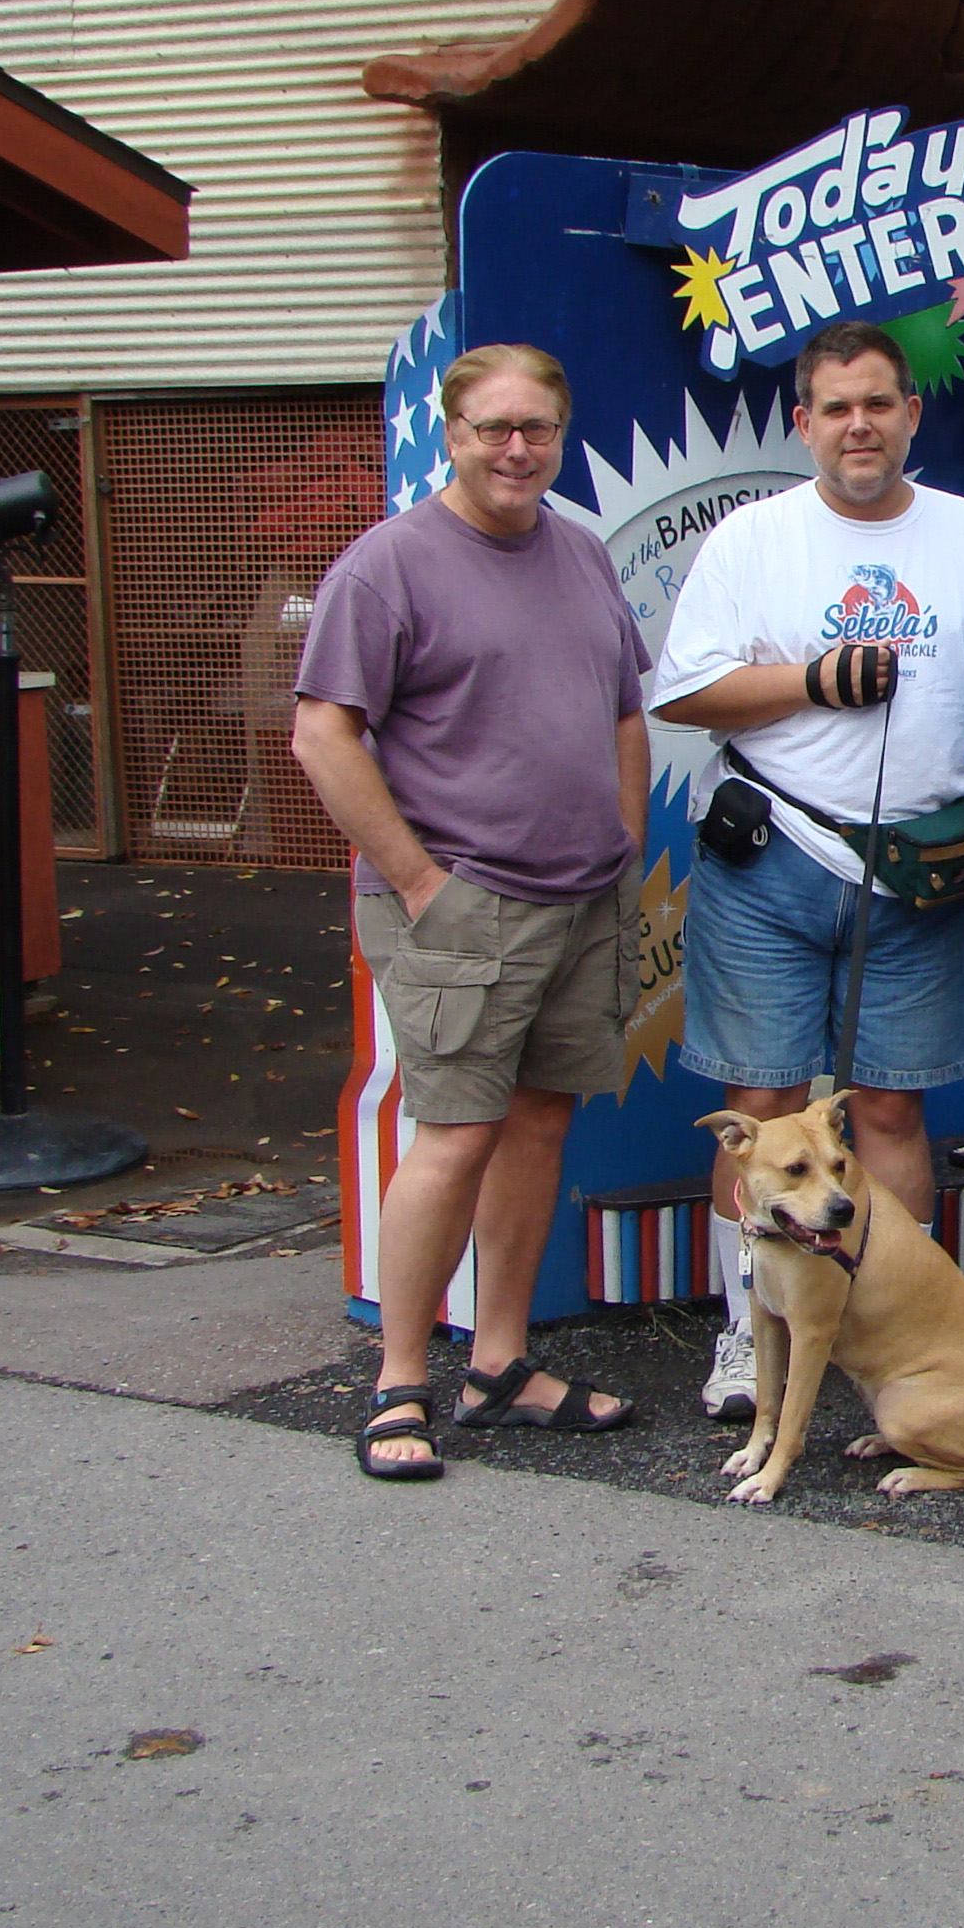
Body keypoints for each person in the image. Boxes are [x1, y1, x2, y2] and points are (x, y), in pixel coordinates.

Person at [653, 318, 964, 1422]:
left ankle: (889, 1331)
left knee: (895, 1116)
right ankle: (749, 1331)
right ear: (804, 422)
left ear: (912, 413)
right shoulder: (751, 538)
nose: (858, 425)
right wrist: (810, 680)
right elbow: (683, 692)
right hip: (771, 860)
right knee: (763, 1107)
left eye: (878, 404)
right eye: (836, 408)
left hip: (921, 877)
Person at [291, 343, 653, 1481]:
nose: (516, 449)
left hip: (581, 899)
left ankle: (499, 1366)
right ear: (452, 435)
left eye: (537, 428)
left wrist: (623, 844)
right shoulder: (388, 567)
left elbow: (624, 710)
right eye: (493, 428)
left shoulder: (581, 552)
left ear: (562, 434)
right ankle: (400, 1384)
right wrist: (418, 882)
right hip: (461, 904)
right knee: (451, 1137)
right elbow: (322, 734)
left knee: (538, 1126)